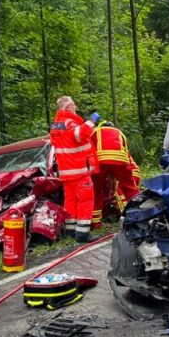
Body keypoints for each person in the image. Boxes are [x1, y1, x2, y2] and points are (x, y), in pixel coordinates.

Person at [50, 96, 99, 242]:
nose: (75, 107)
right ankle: (83, 234)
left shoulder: (55, 125)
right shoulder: (69, 122)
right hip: (79, 170)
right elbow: (79, 135)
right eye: (73, 105)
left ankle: (71, 231)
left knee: (70, 201)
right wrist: (91, 121)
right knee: (86, 200)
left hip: (66, 172)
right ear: (67, 107)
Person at [90, 121, 141, 229]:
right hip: (121, 160)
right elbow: (126, 152)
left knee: (97, 190)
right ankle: (139, 215)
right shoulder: (120, 133)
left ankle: (96, 223)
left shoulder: (95, 132)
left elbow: (90, 150)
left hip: (101, 160)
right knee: (130, 189)